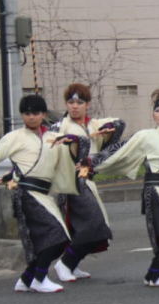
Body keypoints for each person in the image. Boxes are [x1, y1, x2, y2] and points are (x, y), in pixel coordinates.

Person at [0, 94, 78, 293]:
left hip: (45, 194)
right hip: (27, 194)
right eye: (27, 113)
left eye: (36, 113)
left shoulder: (53, 138)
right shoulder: (14, 137)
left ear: (43, 114)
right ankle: (39, 279)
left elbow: (66, 161)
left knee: (59, 238)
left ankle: (27, 279)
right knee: (56, 235)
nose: (31, 117)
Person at [88, 87, 159, 287]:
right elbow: (120, 150)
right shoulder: (145, 135)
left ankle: (154, 275)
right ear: (153, 115)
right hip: (155, 190)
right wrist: (91, 163)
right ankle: (155, 274)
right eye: (157, 111)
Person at [49, 83, 122, 282]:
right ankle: (65, 263)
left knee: (91, 228)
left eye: (80, 102)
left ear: (87, 104)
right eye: (71, 102)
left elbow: (119, 124)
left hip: (87, 182)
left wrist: (109, 128)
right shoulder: (61, 126)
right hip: (71, 182)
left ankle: (72, 264)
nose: (75, 106)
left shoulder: (93, 125)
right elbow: (48, 146)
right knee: (94, 224)